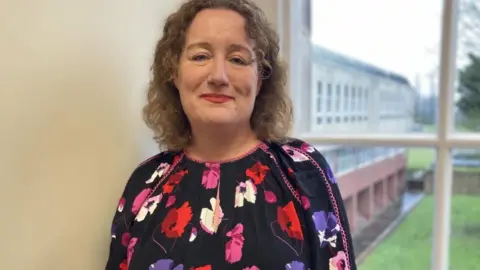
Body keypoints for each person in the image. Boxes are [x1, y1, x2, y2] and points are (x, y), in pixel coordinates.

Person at [106, 0, 356, 269]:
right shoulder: (145, 184)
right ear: (175, 74)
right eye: (200, 56)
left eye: (237, 59)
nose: (218, 76)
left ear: (259, 80)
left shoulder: (304, 171)